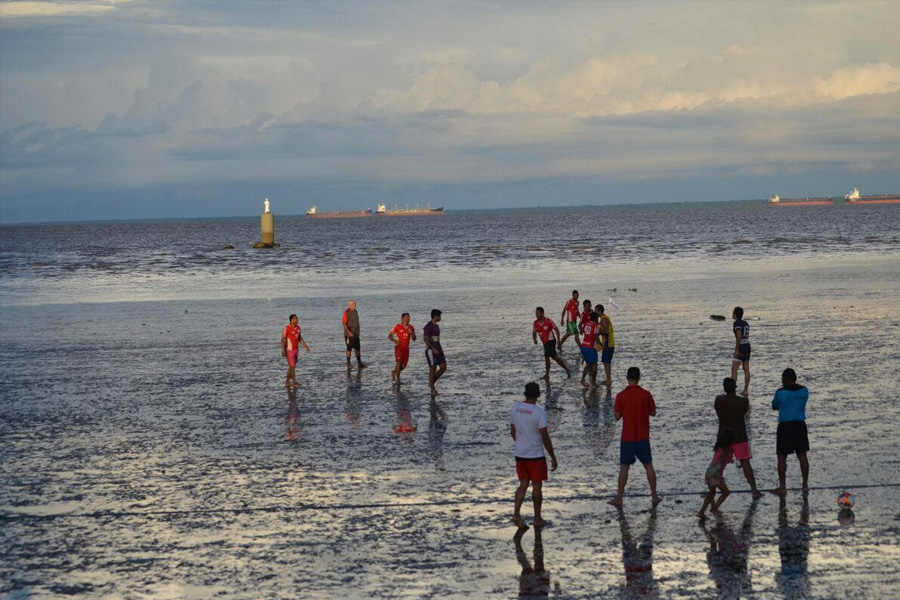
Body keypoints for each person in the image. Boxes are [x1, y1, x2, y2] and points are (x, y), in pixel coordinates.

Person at [609, 367, 660, 506]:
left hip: (627, 437)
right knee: (648, 465)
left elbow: (617, 417)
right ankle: (654, 496)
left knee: (624, 467)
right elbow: (653, 412)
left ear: (627, 378)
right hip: (643, 436)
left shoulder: (621, 396)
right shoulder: (646, 394)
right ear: (639, 378)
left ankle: (619, 498)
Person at [510, 382, 558, 529]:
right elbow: (545, 436)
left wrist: (520, 443)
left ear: (525, 393)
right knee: (537, 486)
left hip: (520, 454)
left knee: (523, 484)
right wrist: (553, 456)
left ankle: (516, 514)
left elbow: (513, 431)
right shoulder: (539, 412)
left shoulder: (516, 408)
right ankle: (537, 518)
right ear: (538, 395)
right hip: (535, 455)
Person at [715, 377, 762, 498]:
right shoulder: (743, 402)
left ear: (724, 389)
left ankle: (713, 490)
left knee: (717, 465)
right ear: (735, 388)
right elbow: (744, 412)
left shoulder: (719, 400)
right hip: (739, 436)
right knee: (746, 464)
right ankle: (754, 491)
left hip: (724, 437)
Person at [771, 368, 810, 495]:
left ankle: (783, 486)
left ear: (785, 379)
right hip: (800, 425)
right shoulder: (804, 391)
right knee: (802, 456)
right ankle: (805, 485)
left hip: (785, 426)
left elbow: (774, 406)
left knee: (782, 457)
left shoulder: (780, 393)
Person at [698, 429, 736, 519]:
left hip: (709, 473)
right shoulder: (725, 451)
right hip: (715, 474)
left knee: (711, 493)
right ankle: (714, 508)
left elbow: (717, 461)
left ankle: (701, 511)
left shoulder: (718, 449)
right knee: (726, 492)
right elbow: (719, 462)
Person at [532, 307, 571, 380]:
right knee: (550, 358)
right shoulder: (535, 323)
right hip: (545, 343)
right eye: (536, 313)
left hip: (551, 341)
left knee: (552, 357)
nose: (536, 315)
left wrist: (559, 341)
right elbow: (534, 332)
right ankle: (550, 373)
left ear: (542, 313)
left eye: (538, 313)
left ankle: (564, 370)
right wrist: (535, 339)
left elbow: (556, 330)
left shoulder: (549, 321)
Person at [281, 314, 310, 388]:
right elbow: (283, 339)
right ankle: (294, 382)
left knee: (292, 366)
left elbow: (300, 338)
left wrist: (305, 346)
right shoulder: (287, 328)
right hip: (289, 349)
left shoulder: (298, 328)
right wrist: (283, 350)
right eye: (296, 318)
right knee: (292, 366)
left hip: (296, 349)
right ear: (292, 320)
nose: (298, 320)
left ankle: (287, 381)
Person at [423, 309, 446, 396]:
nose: (440, 318)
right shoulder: (428, 326)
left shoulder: (436, 326)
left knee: (443, 367)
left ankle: (431, 383)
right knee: (433, 369)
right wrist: (433, 348)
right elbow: (425, 339)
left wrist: (439, 348)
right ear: (435, 316)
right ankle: (432, 389)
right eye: (439, 316)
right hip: (431, 350)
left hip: (438, 347)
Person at [389, 312, 416, 384]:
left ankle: (394, 372)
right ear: (403, 318)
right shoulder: (397, 326)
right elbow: (389, 335)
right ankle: (398, 380)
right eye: (407, 317)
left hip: (406, 349)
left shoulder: (411, 327)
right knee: (399, 362)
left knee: (403, 366)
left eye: (409, 317)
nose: (409, 319)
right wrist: (395, 340)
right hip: (399, 347)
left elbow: (414, 339)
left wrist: (412, 333)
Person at [577, 311, 601, 388]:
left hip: (583, 346)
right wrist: (601, 344)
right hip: (591, 347)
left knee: (588, 365)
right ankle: (593, 382)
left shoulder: (586, 323)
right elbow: (595, 336)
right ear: (595, 318)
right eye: (597, 317)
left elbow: (581, 331)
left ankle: (583, 379)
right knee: (594, 365)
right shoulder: (595, 325)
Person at [731, 306, 751, 396]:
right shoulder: (745, 323)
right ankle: (746, 390)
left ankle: (732, 390)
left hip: (742, 347)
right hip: (747, 345)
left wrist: (736, 349)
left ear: (735, 314)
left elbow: (739, 336)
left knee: (734, 369)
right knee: (746, 369)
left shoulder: (736, 324)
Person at [342, 300, 365, 371]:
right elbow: (344, 323)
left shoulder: (355, 311)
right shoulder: (346, 312)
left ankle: (359, 363)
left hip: (356, 334)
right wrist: (349, 332)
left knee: (357, 348)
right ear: (349, 305)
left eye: (355, 304)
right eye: (353, 304)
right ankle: (348, 364)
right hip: (349, 335)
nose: (354, 305)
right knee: (349, 349)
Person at [597, 304, 615, 389]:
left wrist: (599, 333)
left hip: (608, 343)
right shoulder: (605, 317)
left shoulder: (603, 319)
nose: (595, 312)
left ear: (600, 311)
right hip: (610, 343)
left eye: (596, 310)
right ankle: (608, 379)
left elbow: (607, 332)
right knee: (606, 362)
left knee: (606, 362)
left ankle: (608, 380)